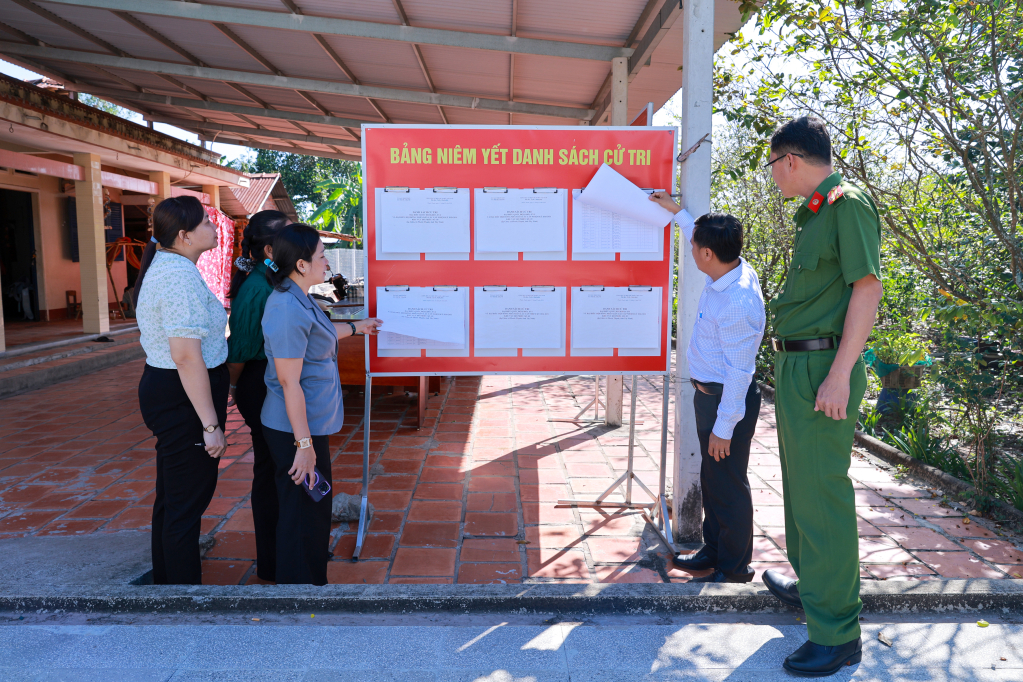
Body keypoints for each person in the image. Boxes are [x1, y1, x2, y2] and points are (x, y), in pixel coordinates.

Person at [761, 116, 883, 676]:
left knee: (823, 496)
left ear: (790, 159)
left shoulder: (846, 204)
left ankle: (836, 634)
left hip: (822, 368)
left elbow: (867, 288)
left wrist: (840, 374)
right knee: (800, 491)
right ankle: (816, 585)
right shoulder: (813, 213)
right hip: (796, 365)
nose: (773, 177)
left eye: (773, 166)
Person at [647, 200, 766, 583]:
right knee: (714, 481)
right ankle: (714, 552)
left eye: (695, 245)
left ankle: (734, 569)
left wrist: (724, 428)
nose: (691, 248)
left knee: (728, 486)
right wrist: (679, 213)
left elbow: (740, 373)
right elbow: (698, 235)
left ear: (708, 254)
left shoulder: (737, 301)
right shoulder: (729, 269)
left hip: (726, 401)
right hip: (711, 396)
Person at [261, 224, 383, 585]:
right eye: (321, 256)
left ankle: (308, 580)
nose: (327, 263)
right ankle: (299, 594)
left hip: (309, 424)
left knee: (311, 508)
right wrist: (303, 446)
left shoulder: (301, 297)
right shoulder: (287, 308)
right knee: (302, 512)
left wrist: (359, 327)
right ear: (301, 264)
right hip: (294, 428)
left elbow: (321, 335)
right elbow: (289, 382)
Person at [133, 196, 228, 585]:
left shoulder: (175, 267)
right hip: (182, 397)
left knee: (174, 498)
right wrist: (211, 425)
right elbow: (186, 357)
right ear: (185, 236)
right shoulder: (177, 276)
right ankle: (182, 598)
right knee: (185, 503)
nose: (214, 227)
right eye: (206, 222)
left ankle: (167, 586)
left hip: (174, 391)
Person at [225, 209, 291, 583]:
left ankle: (288, 548)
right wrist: (234, 389)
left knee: (283, 467)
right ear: (269, 249)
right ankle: (273, 559)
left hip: (270, 383)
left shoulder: (272, 279)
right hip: (260, 385)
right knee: (272, 469)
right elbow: (239, 352)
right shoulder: (256, 288)